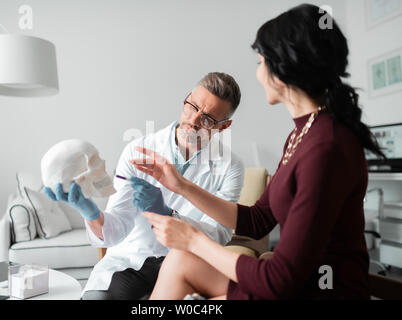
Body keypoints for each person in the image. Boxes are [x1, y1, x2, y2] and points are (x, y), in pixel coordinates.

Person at [131, 4, 385, 300]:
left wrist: (193, 240)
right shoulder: (302, 134)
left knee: (182, 264)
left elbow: (279, 279)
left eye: (261, 60)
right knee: (178, 260)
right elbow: (256, 221)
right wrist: (180, 185)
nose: (258, 71)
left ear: (284, 68)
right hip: (295, 284)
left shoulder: (326, 147)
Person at [44, 72, 245, 300]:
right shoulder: (138, 149)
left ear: (224, 126)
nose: (194, 120)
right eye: (192, 106)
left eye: (208, 118)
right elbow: (116, 229)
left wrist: (169, 216)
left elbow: (219, 234)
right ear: (187, 98)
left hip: (187, 260)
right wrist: (90, 213)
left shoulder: (230, 166)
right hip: (133, 258)